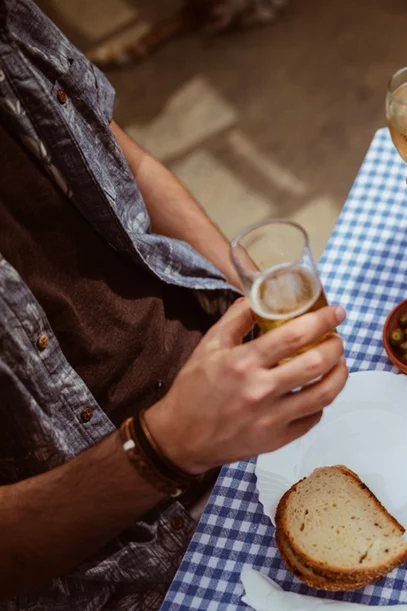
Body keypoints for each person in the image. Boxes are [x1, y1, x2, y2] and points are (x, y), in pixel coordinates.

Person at [0, 1, 348, 609]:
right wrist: (166, 447)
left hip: (226, 399)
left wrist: (243, 298)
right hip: (117, 558)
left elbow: (122, 159)